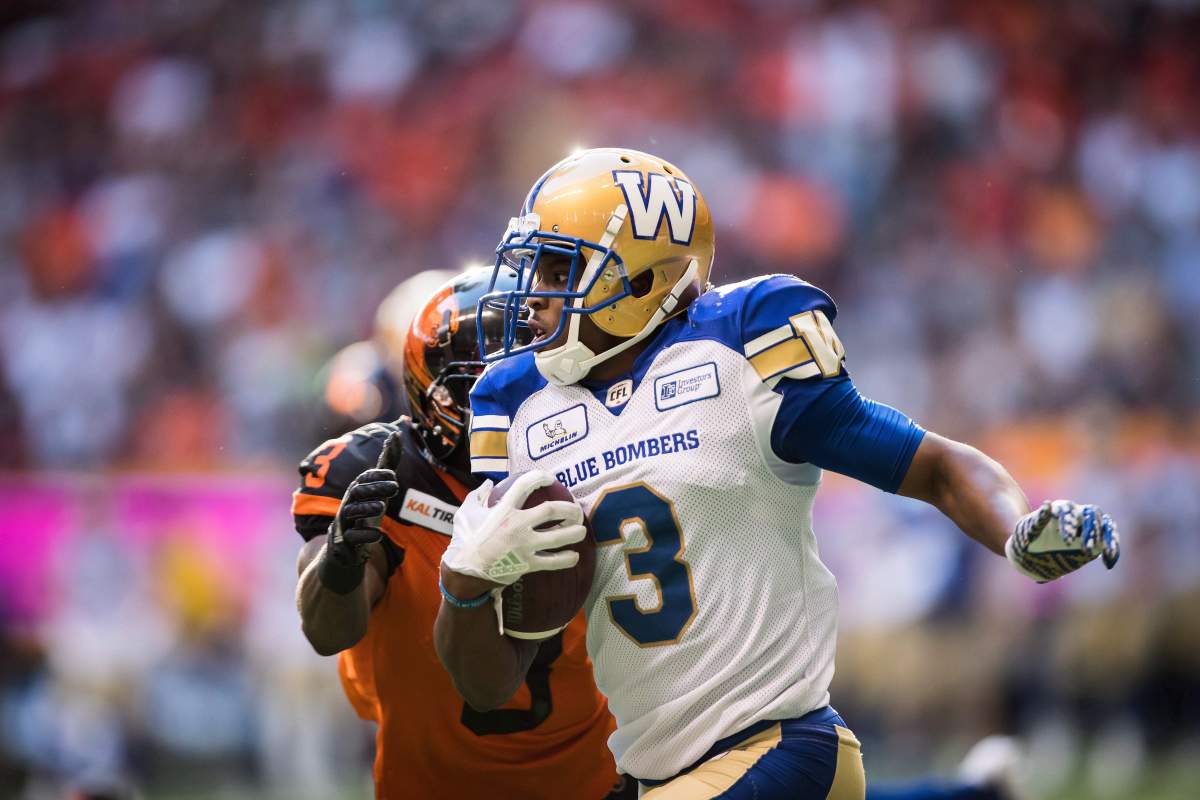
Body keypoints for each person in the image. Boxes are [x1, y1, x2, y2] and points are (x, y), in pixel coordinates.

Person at [434, 148, 1120, 799]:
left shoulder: (742, 344)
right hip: (654, 772)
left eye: (559, 271)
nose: (534, 296)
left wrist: (1017, 532)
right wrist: (464, 584)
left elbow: (933, 466)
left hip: (782, 743)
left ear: (639, 277)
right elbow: (490, 687)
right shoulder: (517, 404)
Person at [292, 267, 632, 799]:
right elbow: (326, 632)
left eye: (526, 384)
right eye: (488, 391)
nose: (511, 406)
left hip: (593, 771)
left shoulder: (594, 452)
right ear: (439, 398)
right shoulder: (384, 469)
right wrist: (339, 558)